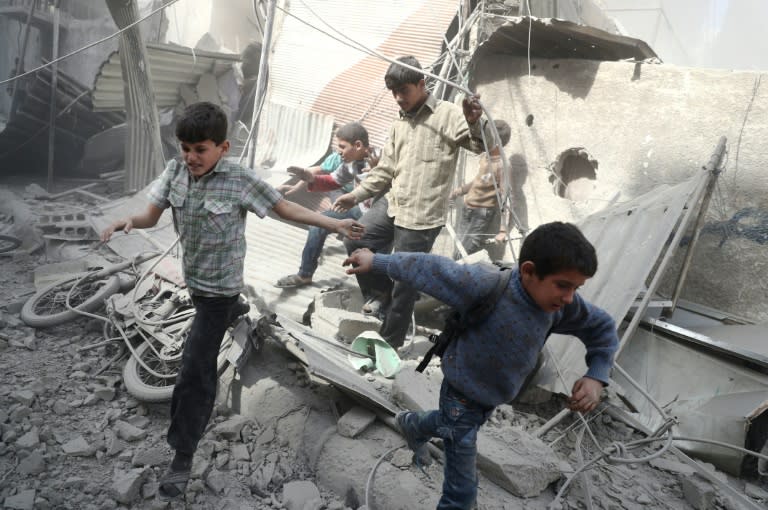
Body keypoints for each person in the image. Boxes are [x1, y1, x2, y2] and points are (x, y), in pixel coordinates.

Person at [100, 102, 364, 500]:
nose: (190, 157)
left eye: (200, 149)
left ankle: (182, 456)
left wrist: (334, 222)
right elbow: (151, 216)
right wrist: (129, 221)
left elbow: (285, 208)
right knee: (205, 340)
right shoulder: (175, 172)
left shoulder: (239, 179)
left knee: (194, 368)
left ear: (222, 147)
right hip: (195, 282)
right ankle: (239, 310)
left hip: (218, 292)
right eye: (185, 148)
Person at [343, 222, 619, 510]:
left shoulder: (560, 306)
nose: (570, 297)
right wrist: (377, 260)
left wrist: (596, 376)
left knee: (452, 424)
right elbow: (430, 268)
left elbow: (602, 328)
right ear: (528, 271)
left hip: (492, 396)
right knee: (460, 485)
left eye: (577, 288)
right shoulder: (486, 284)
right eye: (563, 285)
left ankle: (412, 424)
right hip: (460, 390)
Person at [333, 55, 492, 347]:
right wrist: (355, 194)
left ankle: (389, 342)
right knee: (355, 238)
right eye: (393, 92)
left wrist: (473, 121)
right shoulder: (399, 123)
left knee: (404, 284)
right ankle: (380, 295)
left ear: (421, 84)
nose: (398, 98)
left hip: (422, 217)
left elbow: (479, 144)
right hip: (394, 203)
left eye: (403, 91)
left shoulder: (448, 114)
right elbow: (385, 170)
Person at [275, 122, 374, 288]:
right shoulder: (351, 164)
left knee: (363, 249)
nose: (338, 151)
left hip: (380, 216)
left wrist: (378, 169)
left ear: (358, 145)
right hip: (359, 210)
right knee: (318, 224)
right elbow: (332, 180)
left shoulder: (382, 158)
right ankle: (304, 275)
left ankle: (377, 293)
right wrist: (308, 177)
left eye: (342, 147)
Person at [450, 119, 513, 260]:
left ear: (495, 141)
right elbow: (480, 181)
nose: (482, 140)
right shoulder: (486, 157)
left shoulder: (503, 165)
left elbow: (505, 197)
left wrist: (503, 230)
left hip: (481, 214)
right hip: (468, 208)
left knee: (463, 254)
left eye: (486, 137)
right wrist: (458, 191)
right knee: (457, 249)